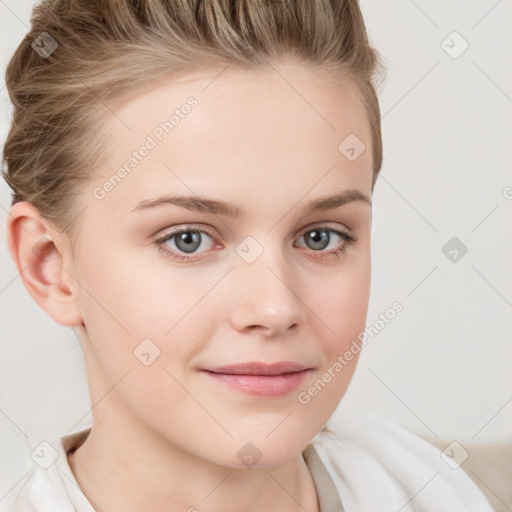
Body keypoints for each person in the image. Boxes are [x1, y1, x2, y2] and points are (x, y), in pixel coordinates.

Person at [0, 0, 496, 511]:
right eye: (187, 239)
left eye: (321, 236)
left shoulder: (437, 491)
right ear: (51, 266)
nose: (275, 308)